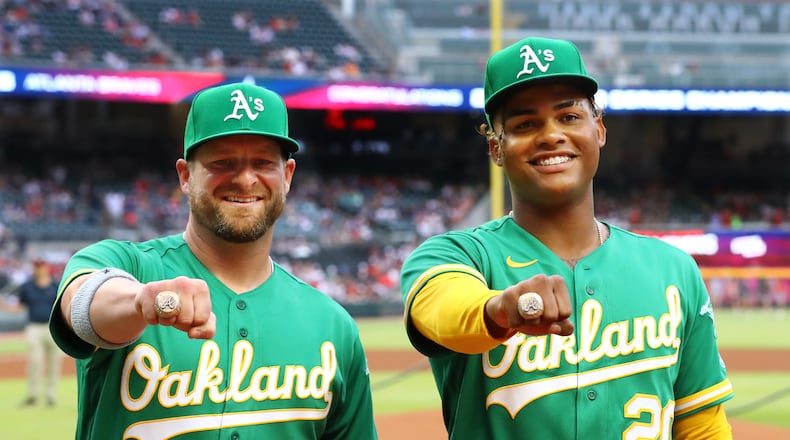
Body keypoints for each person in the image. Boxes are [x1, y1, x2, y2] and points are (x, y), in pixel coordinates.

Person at [399, 37, 734, 439]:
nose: (550, 135)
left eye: (569, 116)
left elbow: (701, 426)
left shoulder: (673, 269)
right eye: (524, 124)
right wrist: (502, 309)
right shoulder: (458, 256)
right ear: (495, 148)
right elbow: (442, 305)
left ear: (600, 129)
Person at [49, 82, 378, 439]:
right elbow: (82, 304)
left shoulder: (333, 325)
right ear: (186, 176)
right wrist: (144, 302)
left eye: (264, 162)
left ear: (287, 176)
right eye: (223, 161)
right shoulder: (128, 265)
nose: (245, 178)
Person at [5, 259, 64, 407]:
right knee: (35, 362)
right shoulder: (28, 286)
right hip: (34, 327)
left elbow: (62, 305)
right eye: (36, 267)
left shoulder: (55, 286)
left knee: (54, 363)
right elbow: (20, 306)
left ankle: (51, 396)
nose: (38, 270)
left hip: (53, 327)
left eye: (40, 267)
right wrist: (5, 306)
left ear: (46, 268)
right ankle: (33, 395)